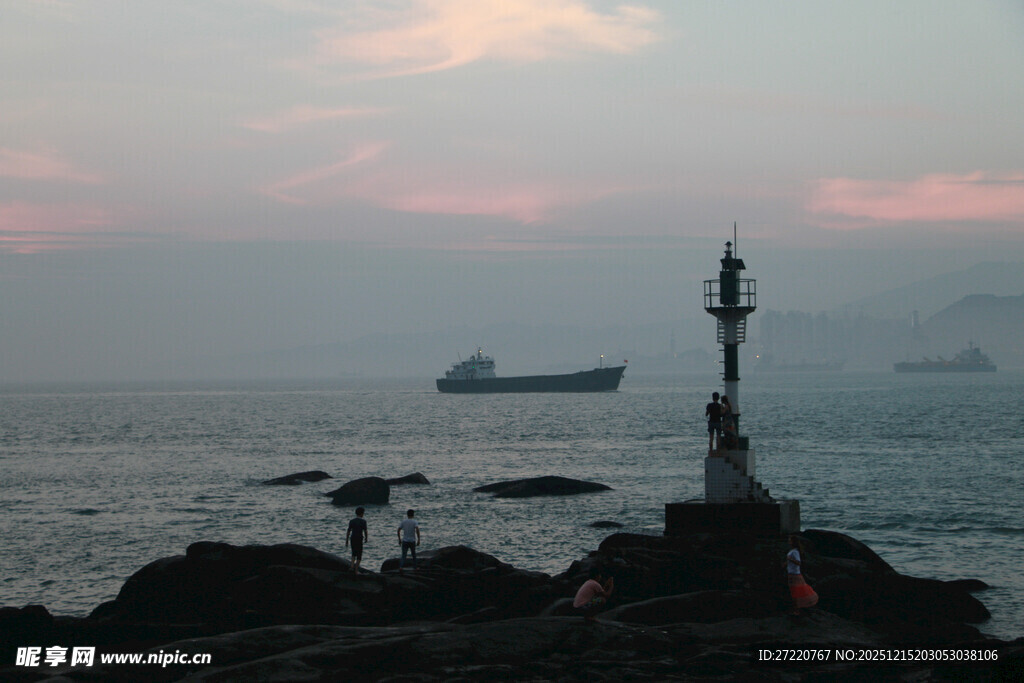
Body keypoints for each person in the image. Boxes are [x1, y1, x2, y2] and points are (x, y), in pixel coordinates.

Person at [785, 535, 818, 615]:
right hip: (791, 573)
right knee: (794, 591)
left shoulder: (795, 552)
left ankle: (797, 609)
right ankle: (796, 608)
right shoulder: (793, 551)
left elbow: (798, 562)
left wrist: (790, 559)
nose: (788, 542)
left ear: (793, 542)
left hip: (795, 574)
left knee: (796, 591)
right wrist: (785, 563)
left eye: (790, 540)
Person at [345, 507, 368, 573]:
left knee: (353, 553)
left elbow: (348, 531)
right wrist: (366, 538)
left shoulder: (352, 521)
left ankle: (352, 567)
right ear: (362, 514)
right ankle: (356, 569)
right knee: (359, 555)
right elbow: (365, 531)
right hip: (359, 538)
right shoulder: (363, 521)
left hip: (353, 538)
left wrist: (346, 540)